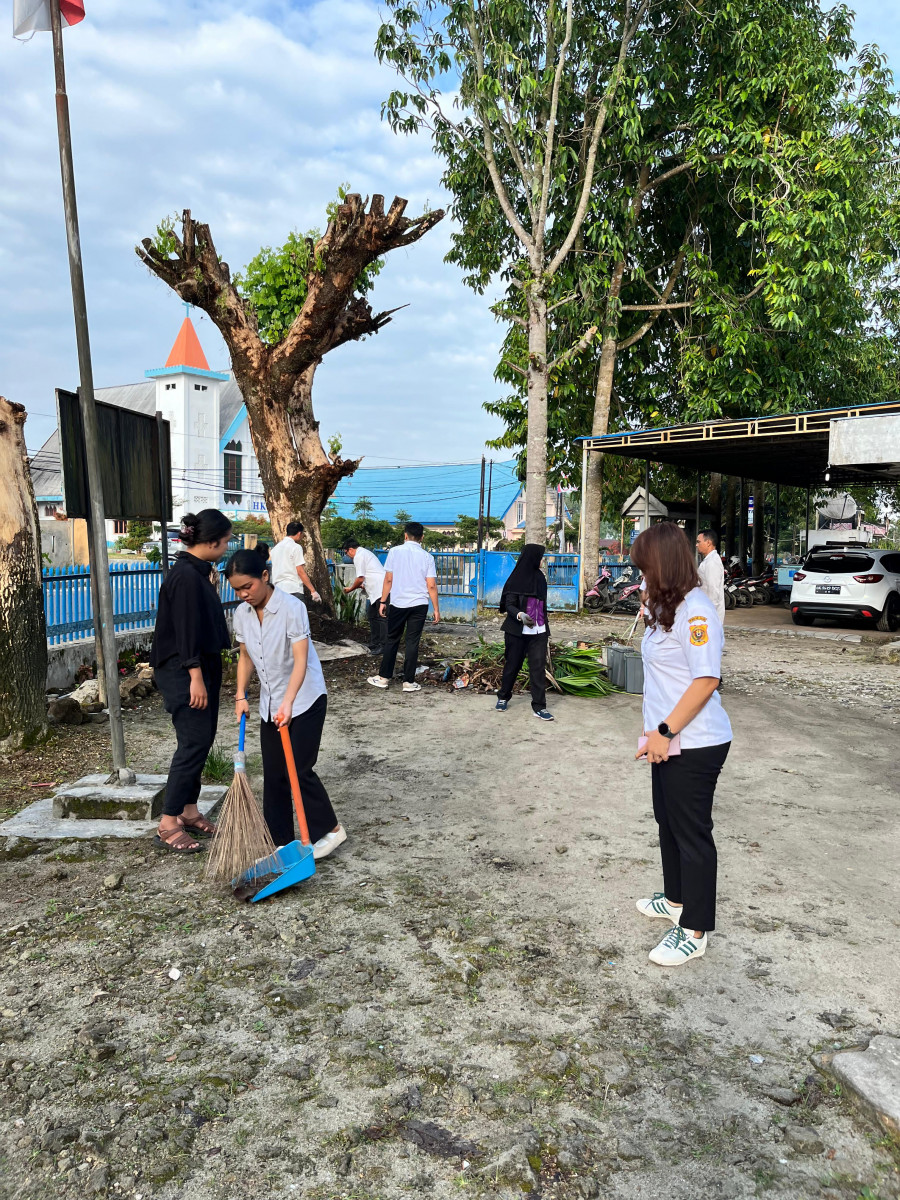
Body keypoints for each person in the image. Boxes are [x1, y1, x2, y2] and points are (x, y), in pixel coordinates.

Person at [631, 522, 732, 968]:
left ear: (664, 565)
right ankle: (674, 899)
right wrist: (655, 732)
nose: (641, 577)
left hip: (695, 741)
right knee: (667, 822)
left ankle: (694, 929)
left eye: (645, 568)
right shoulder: (665, 607)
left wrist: (666, 731)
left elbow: (706, 680)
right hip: (666, 737)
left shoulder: (696, 611)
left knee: (692, 834)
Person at [226, 549, 346, 860]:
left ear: (264, 576)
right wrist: (241, 695)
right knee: (275, 772)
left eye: (248, 586)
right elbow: (245, 656)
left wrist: (289, 702)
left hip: (305, 699)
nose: (243, 594)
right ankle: (278, 841)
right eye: (237, 590)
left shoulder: (292, 607)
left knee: (301, 769)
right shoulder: (242, 614)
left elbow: (301, 660)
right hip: (271, 703)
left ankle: (331, 830)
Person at [150, 509, 233, 853]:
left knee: (202, 739)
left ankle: (188, 810)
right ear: (211, 542)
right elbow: (185, 630)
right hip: (184, 670)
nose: (226, 548)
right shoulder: (185, 576)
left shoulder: (198, 572)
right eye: (225, 542)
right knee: (193, 741)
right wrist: (195, 675)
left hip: (200, 666)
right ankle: (168, 822)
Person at [367, 521, 440, 694]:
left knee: (392, 639)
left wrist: (382, 601)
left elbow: (388, 579)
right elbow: (431, 585)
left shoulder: (394, 552)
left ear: (405, 535)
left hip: (398, 603)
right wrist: (436, 609)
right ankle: (408, 682)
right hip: (419, 605)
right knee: (412, 642)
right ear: (422, 537)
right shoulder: (427, 557)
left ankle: (384, 678)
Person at [495, 543, 554, 722]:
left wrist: (543, 624)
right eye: (541, 557)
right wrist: (520, 615)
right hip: (517, 631)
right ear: (532, 558)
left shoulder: (540, 578)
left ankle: (539, 707)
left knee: (538, 668)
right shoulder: (515, 579)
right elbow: (509, 605)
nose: (542, 560)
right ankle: (503, 696)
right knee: (512, 665)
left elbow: (542, 604)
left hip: (539, 631)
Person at [341, 539, 387, 654]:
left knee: (382, 618)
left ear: (350, 549)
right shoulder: (364, 553)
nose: (347, 556)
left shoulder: (359, 556)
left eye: (346, 553)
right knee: (372, 616)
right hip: (375, 589)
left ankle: (383, 645)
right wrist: (363, 585)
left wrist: (350, 589)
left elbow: (360, 578)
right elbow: (369, 574)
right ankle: (375, 642)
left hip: (380, 589)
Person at [270, 521, 320, 605]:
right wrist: (313, 591)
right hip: (293, 589)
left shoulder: (275, 549)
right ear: (299, 533)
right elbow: (300, 571)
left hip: (277, 590)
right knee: (297, 613)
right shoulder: (296, 547)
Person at [696, 528, 725, 625]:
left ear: (708, 543)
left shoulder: (712, 562)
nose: (696, 545)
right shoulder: (709, 560)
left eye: (698, 542)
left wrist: (709, 615)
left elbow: (713, 590)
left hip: (709, 615)